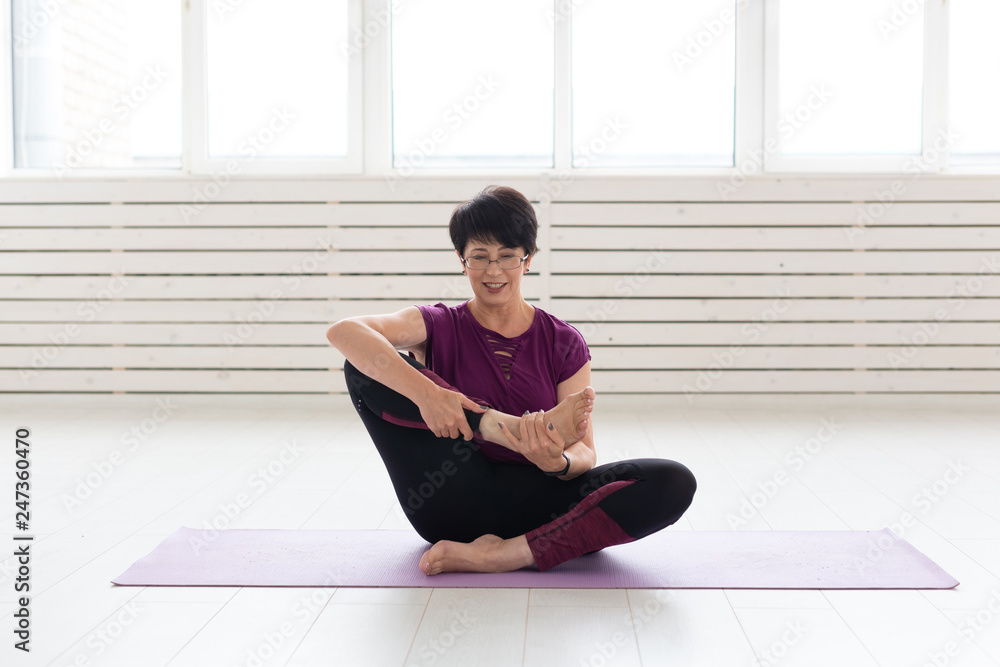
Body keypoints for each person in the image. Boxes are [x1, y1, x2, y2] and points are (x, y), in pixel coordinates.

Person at [325, 185, 696, 575]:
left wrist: (558, 461)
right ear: (461, 260)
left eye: (507, 257)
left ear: (528, 258)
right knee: (364, 367)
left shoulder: (563, 342)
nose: (494, 271)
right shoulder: (437, 324)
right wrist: (429, 395)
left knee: (672, 481)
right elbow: (345, 332)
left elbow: (585, 453)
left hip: (540, 504)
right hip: (451, 499)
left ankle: (506, 555)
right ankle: (499, 428)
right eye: (479, 258)